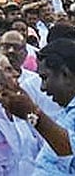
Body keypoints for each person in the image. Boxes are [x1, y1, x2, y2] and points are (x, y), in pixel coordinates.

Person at [5, 38, 75, 174]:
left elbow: (69, 149)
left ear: (65, 74)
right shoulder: (66, 112)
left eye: (45, 78)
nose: (42, 88)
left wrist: (33, 114)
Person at [0, 30, 61, 117]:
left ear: (25, 54)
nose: (11, 51)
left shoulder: (38, 82)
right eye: (6, 46)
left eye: (16, 47)